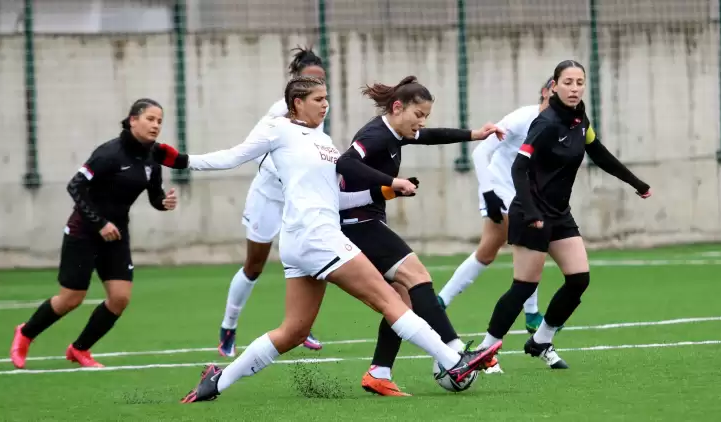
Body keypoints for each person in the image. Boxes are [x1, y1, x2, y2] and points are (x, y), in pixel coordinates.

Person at [152, 76, 502, 403]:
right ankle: (454, 360)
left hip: (306, 241)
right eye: (318, 99)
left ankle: (218, 380)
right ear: (296, 102)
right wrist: (181, 160)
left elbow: (339, 198)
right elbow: (232, 156)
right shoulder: (279, 130)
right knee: (393, 300)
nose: (325, 105)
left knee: (292, 332)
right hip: (316, 237)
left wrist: (390, 191)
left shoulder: (324, 142)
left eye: (327, 99)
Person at [335, 76, 505, 396]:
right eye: (418, 114)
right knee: (417, 276)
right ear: (398, 108)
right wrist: (392, 182)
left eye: (426, 115)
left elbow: (430, 136)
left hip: (365, 220)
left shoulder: (395, 132)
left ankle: (379, 373)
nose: (422, 122)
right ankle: (455, 352)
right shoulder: (375, 134)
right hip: (356, 223)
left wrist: (475, 135)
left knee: (402, 301)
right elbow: (344, 164)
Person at [479, 60, 651, 369]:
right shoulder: (545, 123)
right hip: (531, 211)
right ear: (554, 86)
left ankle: (542, 339)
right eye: (567, 82)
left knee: (579, 279)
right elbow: (519, 168)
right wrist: (531, 212)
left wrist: (635, 183)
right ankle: (484, 350)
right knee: (524, 286)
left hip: (559, 213)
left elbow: (597, 151)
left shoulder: (580, 119)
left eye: (579, 82)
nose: (574, 88)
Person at [9, 98, 178, 369]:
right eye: (150, 119)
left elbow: (154, 194)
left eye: (160, 121)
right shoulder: (109, 153)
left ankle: (79, 349)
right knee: (71, 298)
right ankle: (25, 333)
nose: (156, 125)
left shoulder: (152, 159)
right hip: (84, 232)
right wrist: (99, 223)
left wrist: (163, 202)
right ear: (133, 119)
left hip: (117, 235)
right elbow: (75, 187)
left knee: (120, 298)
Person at [218, 47, 327, 357]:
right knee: (254, 266)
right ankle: (229, 325)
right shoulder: (278, 112)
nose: (318, 88)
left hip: (298, 200)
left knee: (308, 262)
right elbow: (252, 151)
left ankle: (300, 327)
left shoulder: (319, 112)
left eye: (321, 81)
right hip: (267, 196)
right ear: (296, 82)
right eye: (310, 79)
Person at [437, 78, 555, 341]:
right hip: (499, 188)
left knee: (488, 252)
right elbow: (480, 153)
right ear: (545, 92)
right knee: (528, 244)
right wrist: (489, 193)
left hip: (525, 195)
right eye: (557, 88)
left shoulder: (562, 124)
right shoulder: (521, 118)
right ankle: (532, 314)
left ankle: (440, 301)